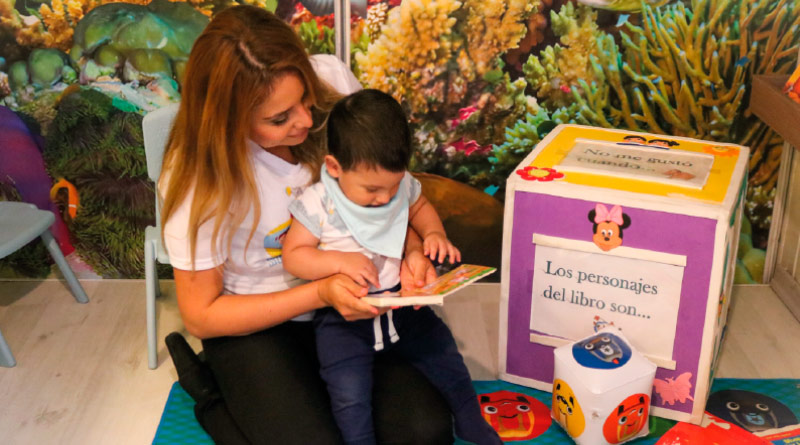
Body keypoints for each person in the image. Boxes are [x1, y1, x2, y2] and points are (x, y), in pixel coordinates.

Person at [159, 6, 454, 444]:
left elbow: (384, 195)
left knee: (426, 432)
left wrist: (411, 251)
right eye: (279, 119)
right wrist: (317, 292)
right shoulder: (198, 180)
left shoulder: (331, 78)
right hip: (258, 323)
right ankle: (210, 395)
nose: (306, 120)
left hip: (353, 305)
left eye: (305, 97)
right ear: (227, 121)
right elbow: (201, 316)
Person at [282, 89, 502, 445]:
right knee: (349, 392)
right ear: (335, 167)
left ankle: (469, 417)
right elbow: (294, 256)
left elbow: (419, 206)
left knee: (446, 355)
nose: (385, 198)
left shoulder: (398, 186)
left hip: (402, 306)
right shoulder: (319, 202)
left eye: (394, 185)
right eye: (372, 189)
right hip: (345, 319)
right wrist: (337, 261)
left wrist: (433, 234)